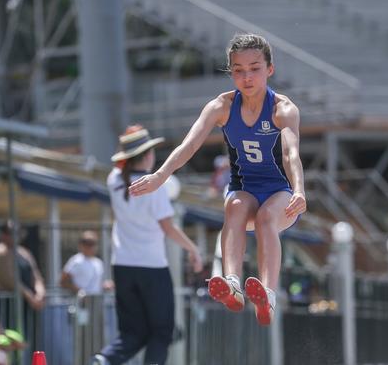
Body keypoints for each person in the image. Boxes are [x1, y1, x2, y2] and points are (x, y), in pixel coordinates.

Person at [129, 33, 307, 326]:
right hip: (245, 190)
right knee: (234, 206)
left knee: (265, 219)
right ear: (231, 73)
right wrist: (160, 176)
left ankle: (269, 295)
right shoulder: (221, 107)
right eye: (238, 70)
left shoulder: (283, 110)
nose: (247, 77)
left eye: (254, 68)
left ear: (270, 70)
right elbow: (189, 145)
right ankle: (232, 284)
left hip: (281, 193)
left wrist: (299, 190)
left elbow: (291, 155)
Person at [93, 125, 203, 365]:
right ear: (146, 155)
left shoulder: (113, 180)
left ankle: (102, 361)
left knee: (132, 333)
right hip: (152, 267)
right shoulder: (155, 188)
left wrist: (126, 144)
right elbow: (168, 228)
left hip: (122, 265)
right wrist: (193, 249)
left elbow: (119, 166)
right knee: (162, 331)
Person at [0, 221, 46, 311]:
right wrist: (29, 296)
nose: (15, 236)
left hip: (30, 305)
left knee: (31, 325)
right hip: (11, 306)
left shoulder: (24, 253)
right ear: (4, 235)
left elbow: (36, 276)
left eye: (18, 232)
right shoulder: (0, 253)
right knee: (13, 326)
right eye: (11, 233)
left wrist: (40, 293)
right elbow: (9, 280)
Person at [60, 230, 113, 295]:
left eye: (92, 243)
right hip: (79, 302)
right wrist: (79, 291)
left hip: (96, 301)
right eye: (86, 243)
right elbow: (63, 281)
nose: (89, 246)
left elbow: (96, 284)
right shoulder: (76, 260)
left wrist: (105, 285)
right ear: (81, 244)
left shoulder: (99, 263)